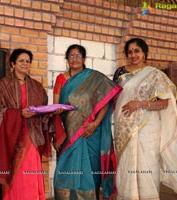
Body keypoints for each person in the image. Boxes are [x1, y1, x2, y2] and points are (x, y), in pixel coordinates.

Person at [113, 38, 177, 200]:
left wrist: (139, 104)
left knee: (149, 163)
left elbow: (165, 103)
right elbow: (113, 99)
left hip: (149, 128)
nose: (133, 55)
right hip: (124, 127)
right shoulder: (120, 73)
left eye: (137, 51)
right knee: (126, 164)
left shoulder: (155, 75)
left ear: (144, 53)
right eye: (130, 51)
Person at [53, 44, 122, 200]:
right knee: (65, 170)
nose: (75, 59)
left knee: (91, 170)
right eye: (71, 55)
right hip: (69, 132)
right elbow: (56, 105)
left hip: (91, 131)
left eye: (78, 55)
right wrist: (57, 112)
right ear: (67, 59)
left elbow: (105, 100)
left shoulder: (94, 77)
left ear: (83, 59)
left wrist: (96, 123)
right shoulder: (61, 79)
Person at [0, 48, 48, 200]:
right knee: (14, 176)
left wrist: (49, 113)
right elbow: (0, 110)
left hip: (31, 136)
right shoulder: (5, 84)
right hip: (11, 136)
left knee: (29, 172)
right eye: (21, 61)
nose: (25, 64)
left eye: (27, 61)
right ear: (13, 64)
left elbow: (43, 109)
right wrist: (18, 114)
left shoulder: (37, 87)